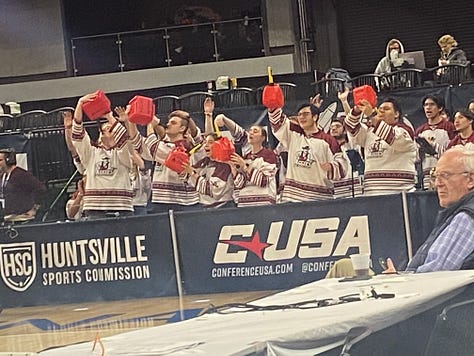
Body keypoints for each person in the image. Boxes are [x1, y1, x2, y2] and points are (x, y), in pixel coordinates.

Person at [384, 146, 474, 273]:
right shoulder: (458, 213)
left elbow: (435, 274)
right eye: (435, 176)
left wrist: (401, 280)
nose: (438, 183)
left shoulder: (466, 218)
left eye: (445, 175)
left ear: (470, 180)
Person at [267, 103, 348, 202]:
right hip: (292, 198)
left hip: (319, 200)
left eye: (305, 114)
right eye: (299, 114)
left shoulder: (329, 140)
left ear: (315, 117)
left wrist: (332, 167)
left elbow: (343, 166)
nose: (301, 117)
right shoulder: (293, 134)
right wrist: (273, 103)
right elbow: (277, 122)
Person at [71, 93, 134, 219]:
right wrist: (80, 104)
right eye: (105, 129)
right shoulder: (91, 152)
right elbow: (77, 135)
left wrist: (109, 115)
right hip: (94, 210)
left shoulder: (124, 152)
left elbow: (123, 137)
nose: (108, 131)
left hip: (122, 208)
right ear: (99, 134)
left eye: (112, 129)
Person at [127, 108, 202, 214]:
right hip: (160, 202)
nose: (168, 124)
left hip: (184, 204)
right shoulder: (163, 146)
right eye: (168, 122)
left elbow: (152, 145)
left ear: (182, 128)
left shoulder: (183, 147)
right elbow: (137, 142)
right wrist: (131, 119)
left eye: (173, 123)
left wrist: (150, 124)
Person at [344, 96, 417, 196]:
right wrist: (357, 110)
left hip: (400, 193)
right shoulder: (369, 132)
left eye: (386, 109)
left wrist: (372, 115)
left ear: (396, 114)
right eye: (380, 109)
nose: (381, 111)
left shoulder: (404, 131)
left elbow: (392, 137)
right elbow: (350, 127)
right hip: (371, 193)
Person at [213, 114, 278, 207]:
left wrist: (244, 166)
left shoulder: (269, 155)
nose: (251, 133)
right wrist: (233, 167)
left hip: (263, 204)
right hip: (244, 204)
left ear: (263, 138)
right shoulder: (245, 157)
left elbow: (263, 181)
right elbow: (240, 184)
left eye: (255, 131)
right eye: (250, 131)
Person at [182, 133, 235, 209]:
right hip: (205, 207)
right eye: (205, 142)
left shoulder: (224, 165)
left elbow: (213, 190)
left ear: (219, 145)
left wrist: (192, 173)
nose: (205, 145)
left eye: (210, 142)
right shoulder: (204, 162)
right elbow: (188, 177)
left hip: (222, 208)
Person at [415, 95, 456, 189]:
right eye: (426, 105)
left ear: (440, 108)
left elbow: (454, 150)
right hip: (426, 176)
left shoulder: (449, 127)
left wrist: (433, 147)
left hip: (446, 174)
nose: (428, 107)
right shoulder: (420, 131)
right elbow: (416, 157)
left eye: (432, 104)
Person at [0, 148, 46, 222]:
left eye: (0, 160)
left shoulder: (21, 175)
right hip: (9, 217)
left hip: (21, 218)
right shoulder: (3, 176)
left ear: (9, 160)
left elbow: (41, 189)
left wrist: (34, 208)